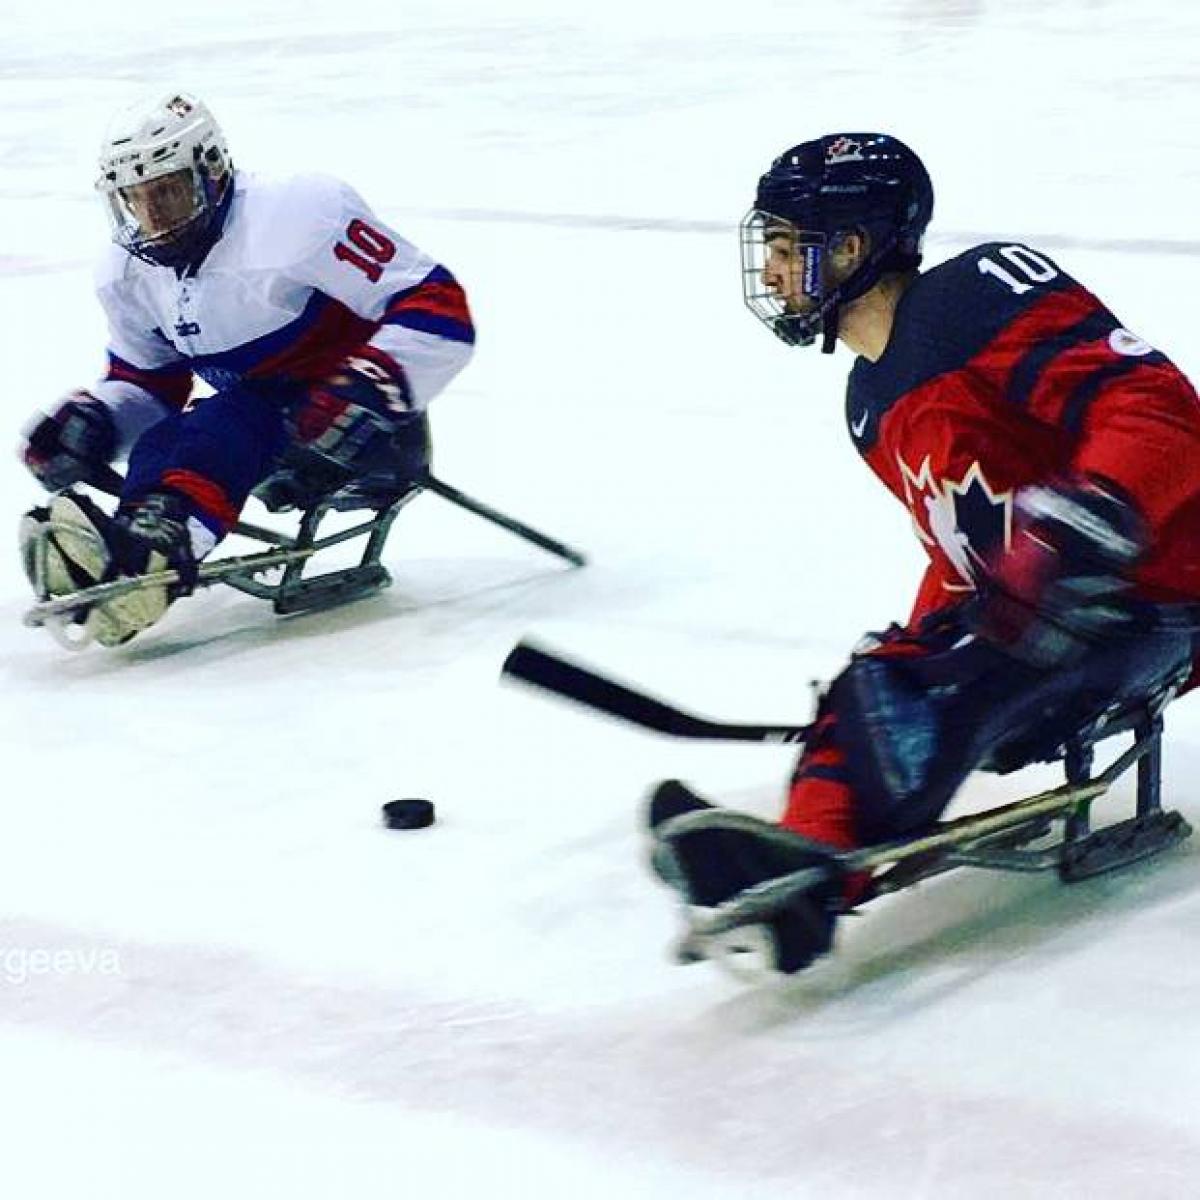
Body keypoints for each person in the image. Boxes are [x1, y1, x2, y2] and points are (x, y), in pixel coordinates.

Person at [652, 132, 1200, 973]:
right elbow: (961, 561)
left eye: (786, 248)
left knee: (905, 689)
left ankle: (805, 883)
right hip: (1068, 628)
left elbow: (1160, 411)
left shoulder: (976, 295)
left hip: (1154, 591)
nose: (768, 273)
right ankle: (807, 864)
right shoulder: (867, 403)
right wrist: (905, 657)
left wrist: (1076, 532)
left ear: (852, 248)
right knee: (884, 684)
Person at [18, 91, 474, 646]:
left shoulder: (300, 213)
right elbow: (148, 383)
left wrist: (376, 384)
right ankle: (134, 543)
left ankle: (160, 552)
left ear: (211, 171)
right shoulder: (126, 275)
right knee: (164, 439)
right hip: (264, 432)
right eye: (137, 200)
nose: (154, 218)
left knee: (224, 420)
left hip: (370, 437)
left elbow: (437, 306)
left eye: (168, 193)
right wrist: (96, 423)